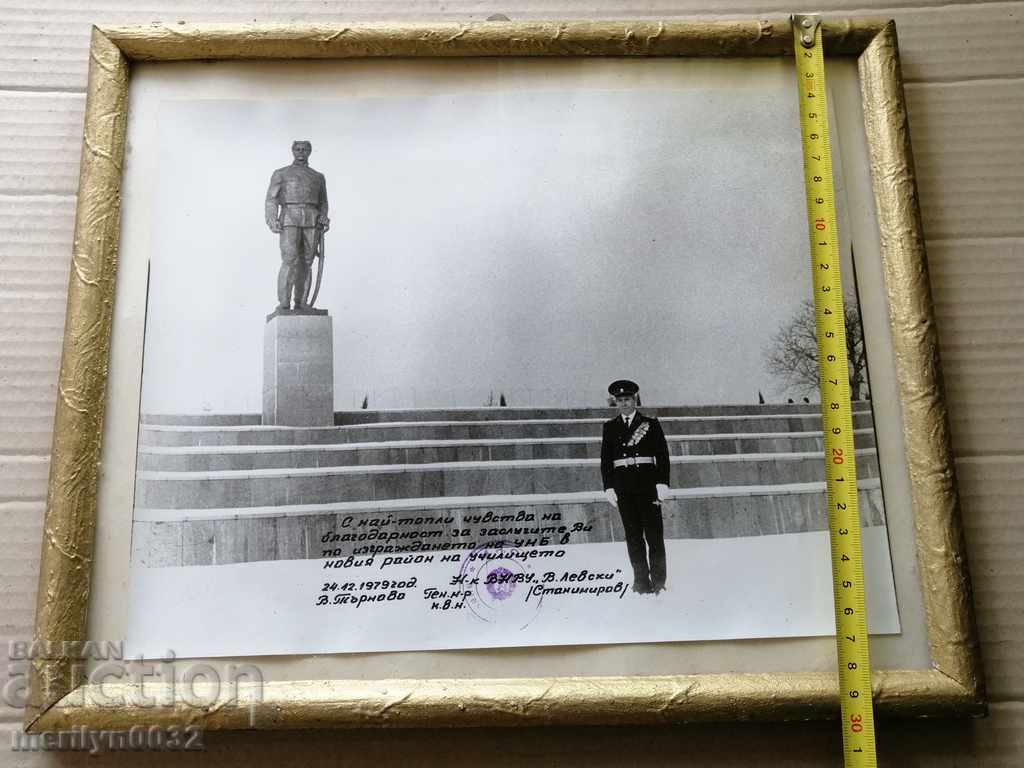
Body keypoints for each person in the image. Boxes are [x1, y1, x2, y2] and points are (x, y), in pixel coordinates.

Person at [600, 379, 671, 594]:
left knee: (654, 537)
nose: (624, 403)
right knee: (633, 538)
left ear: (635, 399)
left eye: (628, 399)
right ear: (616, 402)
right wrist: (608, 487)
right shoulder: (610, 427)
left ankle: (659, 582)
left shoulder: (650, 423)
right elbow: (605, 460)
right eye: (620, 400)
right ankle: (641, 582)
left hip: (648, 486)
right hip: (624, 488)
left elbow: (662, 455)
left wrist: (662, 482)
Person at [265, 140, 330, 311]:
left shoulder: (318, 177)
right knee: (289, 260)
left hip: (311, 219)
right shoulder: (281, 174)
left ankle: (302, 302)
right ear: (293, 151)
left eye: (305, 149)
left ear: (309, 151)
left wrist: (323, 216)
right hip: (289, 218)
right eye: (298, 149)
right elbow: (271, 200)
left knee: (307, 262)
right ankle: (284, 302)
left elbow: (323, 202)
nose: (301, 152)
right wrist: (272, 219)